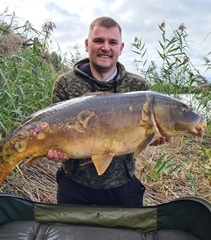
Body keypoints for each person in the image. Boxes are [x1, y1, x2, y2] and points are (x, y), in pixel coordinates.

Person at [48, 16, 169, 207]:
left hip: (122, 184)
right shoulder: (65, 83)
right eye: (98, 41)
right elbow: (54, 129)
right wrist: (53, 149)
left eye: (112, 42)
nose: (106, 47)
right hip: (74, 183)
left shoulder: (138, 87)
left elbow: (140, 137)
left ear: (120, 48)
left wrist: (153, 137)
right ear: (87, 45)